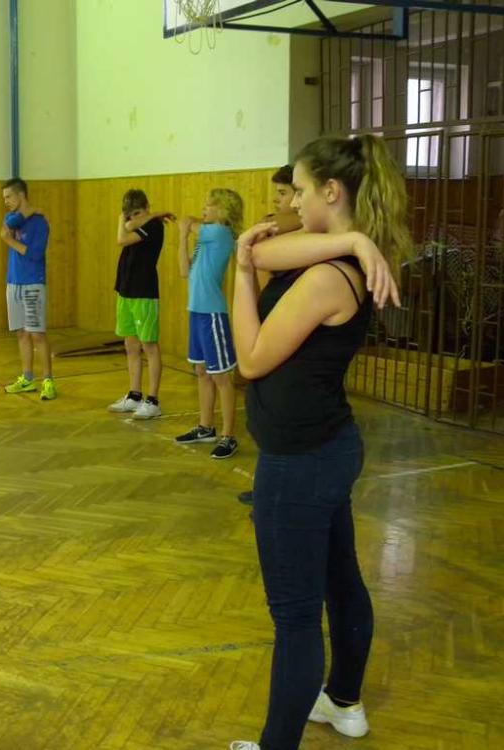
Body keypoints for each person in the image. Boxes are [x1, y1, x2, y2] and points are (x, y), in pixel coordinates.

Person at [228, 134, 410, 750]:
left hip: (300, 463)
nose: (293, 202)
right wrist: (352, 239)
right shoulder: (341, 256)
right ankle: (344, 702)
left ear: (332, 191)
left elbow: (251, 359)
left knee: (296, 615)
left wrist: (240, 275)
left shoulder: (327, 280)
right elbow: (269, 250)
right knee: (339, 582)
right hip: (326, 447)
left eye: (302, 191)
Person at [238, 165, 301, 504]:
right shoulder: (280, 227)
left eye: (285, 193)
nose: (278, 200)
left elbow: (261, 250)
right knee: (266, 412)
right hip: (271, 321)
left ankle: (276, 493)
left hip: (287, 333)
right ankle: (266, 487)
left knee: (283, 413)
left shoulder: (300, 230)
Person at [174, 188, 244, 459]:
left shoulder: (220, 233)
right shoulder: (204, 238)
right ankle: (205, 427)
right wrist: (182, 237)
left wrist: (186, 225)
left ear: (223, 210)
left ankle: (228, 436)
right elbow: (184, 270)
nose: (203, 208)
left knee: (221, 377)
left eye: (209, 205)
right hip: (196, 312)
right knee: (202, 372)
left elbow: (189, 222)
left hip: (213, 314)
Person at [108, 189, 173, 419]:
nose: (132, 218)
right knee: (131, 345)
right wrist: (131, 220)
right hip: (125, 290)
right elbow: (127, 228)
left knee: (149, 346)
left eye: (137, 213)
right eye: (129, 214)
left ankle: (153, 401)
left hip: (143, 292)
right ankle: (134, 395)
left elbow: (122, 239)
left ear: (146, 208)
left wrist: (125, 220)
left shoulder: (154, 226)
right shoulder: (140, 222)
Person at [0, 177, 56, 400]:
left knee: (37, 334)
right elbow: (7, 227)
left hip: (32, 283)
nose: (6, 201)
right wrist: (28, 211)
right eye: (4, 198)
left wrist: (10, 241)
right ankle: (27, 378)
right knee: (21, 333)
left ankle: (48, 380)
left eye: (9, 197)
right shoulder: (11, 217)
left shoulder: (40, 223)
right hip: (13, 282)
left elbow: (34, 254)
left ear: (21, 195)